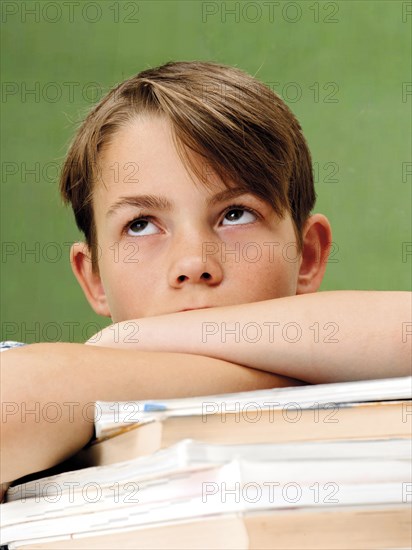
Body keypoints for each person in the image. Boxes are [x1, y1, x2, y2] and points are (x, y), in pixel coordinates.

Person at [1, 61, 410, 487]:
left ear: (306, 256)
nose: (193, 262)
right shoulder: (39, 385)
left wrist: (134, 339)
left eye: (236, 214)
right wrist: (286, 374)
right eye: (140, 224)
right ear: (95, 279)